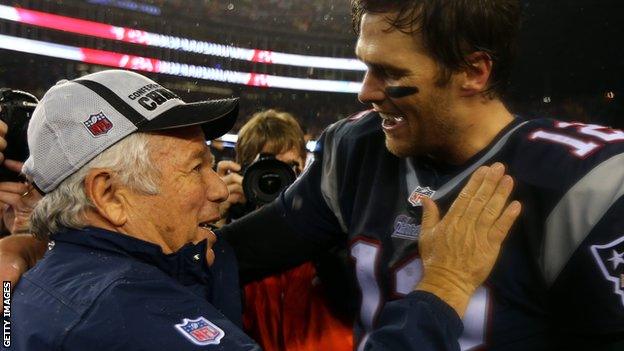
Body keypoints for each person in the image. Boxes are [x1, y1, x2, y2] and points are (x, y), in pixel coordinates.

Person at [0, 69, 521, 351]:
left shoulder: (59, 276)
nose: (218, 190)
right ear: (110, 196)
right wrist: (445, 287)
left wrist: (39, 244)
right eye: (195, 168)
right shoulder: (130, 314)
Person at [217, 1, 624, 350]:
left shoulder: (588, 180)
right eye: (366, 65)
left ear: (473, 72)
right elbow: (237, 255)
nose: (366, 91)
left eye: (390, 73)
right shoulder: (356, 148)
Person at [217, 109, 354, 351]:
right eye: (267, 167)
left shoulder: (336, 226)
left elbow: (353, 301)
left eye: (290, 167)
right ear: (243, 172)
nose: (276, 181)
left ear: (305, 171)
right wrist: (215, 223)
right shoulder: (232, 240)